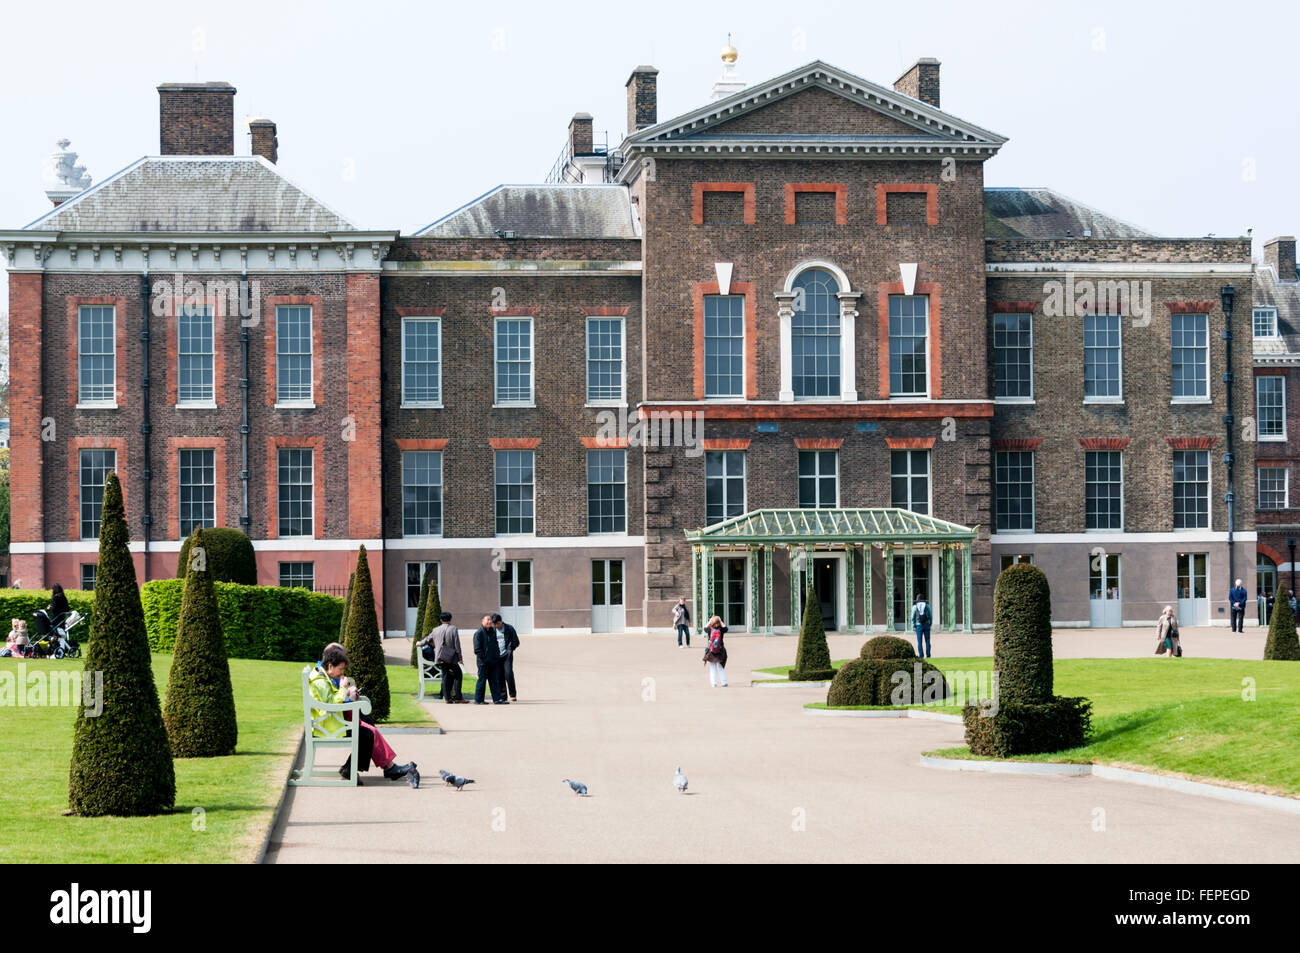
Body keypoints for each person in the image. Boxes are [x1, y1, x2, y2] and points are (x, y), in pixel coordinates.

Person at [309, 642, 419, 786]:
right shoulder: (320, 681)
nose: (341, 673)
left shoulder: (323, 676)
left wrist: (347, 694)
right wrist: (343, 690)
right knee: (368, 734)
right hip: (329, 726)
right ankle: (355, 769)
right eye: (340, 669)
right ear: (330, 666)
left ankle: (384, 767)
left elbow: (331, 700)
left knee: (367, 725)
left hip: (331, 722)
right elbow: (331, 705)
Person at [420, 612, 467, 704]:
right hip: (451, 657)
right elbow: (457, 645)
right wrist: (460, 658)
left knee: (445, 676)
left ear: (441, 620)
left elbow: (428, 639)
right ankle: (458, 697)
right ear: (450, 619)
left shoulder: (435, 629)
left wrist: (419, 643)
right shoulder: (453, 629)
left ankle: (447, 698)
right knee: (458, 675)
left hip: (440, 657)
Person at [472, 614, 508, 704]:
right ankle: (478, 700)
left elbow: (495, 645)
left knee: (494, 681)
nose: (489, 622)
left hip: (493, 661)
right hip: (483, 662)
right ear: (482, 621)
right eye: (487, 620)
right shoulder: (479, 633)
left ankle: (497, 699)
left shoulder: (493, 631)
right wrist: (484, 659)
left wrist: (496, 656)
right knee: (482, 681)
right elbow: (477, 649)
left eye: (490, 620)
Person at [492, 613, 520, 701]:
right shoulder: (492, 630)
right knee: (499, 675)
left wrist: (510, 649)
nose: (496, 626)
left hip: (506, 655)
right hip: (497, 655)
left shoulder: (509, 628)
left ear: (501, 622)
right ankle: (503, 696)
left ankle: (513, 694)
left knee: (508, 673)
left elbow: (516, 641)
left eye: (497, 624)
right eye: (494, 624)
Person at [702, 614, 728, 687]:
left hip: (711, 651)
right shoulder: (721, 630)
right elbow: (726, 628)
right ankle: (724, 682)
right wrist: (720, 620)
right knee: (721, 667)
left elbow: (704, 628)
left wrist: (709, 621)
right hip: (720, 651)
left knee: (712, 668)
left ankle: (714, 683)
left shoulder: (709, 629)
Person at [910, 593, 933, 659]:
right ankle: (928, 655)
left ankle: (921, 656)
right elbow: (930, 616)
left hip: (918, 625)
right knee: (927, 641)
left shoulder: (915, 607)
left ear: (917, 599)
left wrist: (914, 625)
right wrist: (930, 623)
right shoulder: (927, 606)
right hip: (926, 624)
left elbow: (912, 617)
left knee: (919, 642)